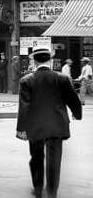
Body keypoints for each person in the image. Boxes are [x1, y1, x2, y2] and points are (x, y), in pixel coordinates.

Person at [16, 44, 83, 198]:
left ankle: (38, 188)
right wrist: (77, 114)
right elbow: (73, 99)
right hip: (56, 126)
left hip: (35, 126)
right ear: (50, 60)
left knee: (36, 157)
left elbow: (24, 107)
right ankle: (52, 192)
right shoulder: (62, 78)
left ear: (34, 62)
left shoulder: (26, 80)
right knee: (54, 161)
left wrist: (21, 129)